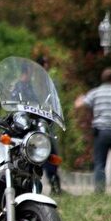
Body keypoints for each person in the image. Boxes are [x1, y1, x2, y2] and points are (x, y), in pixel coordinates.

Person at [75, 68, 111, 193]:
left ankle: (99, 191)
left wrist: (79, 99)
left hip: (101, 132)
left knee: (100, 163)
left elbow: (79, 105)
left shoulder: (95, 92)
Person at [36, 56, 63, 195]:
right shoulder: (36, 82)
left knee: (51, 156)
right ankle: (50, 185)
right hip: (36, 124)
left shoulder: (47, 82)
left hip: (46, 124)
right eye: (46, 64)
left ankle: (55, 184)